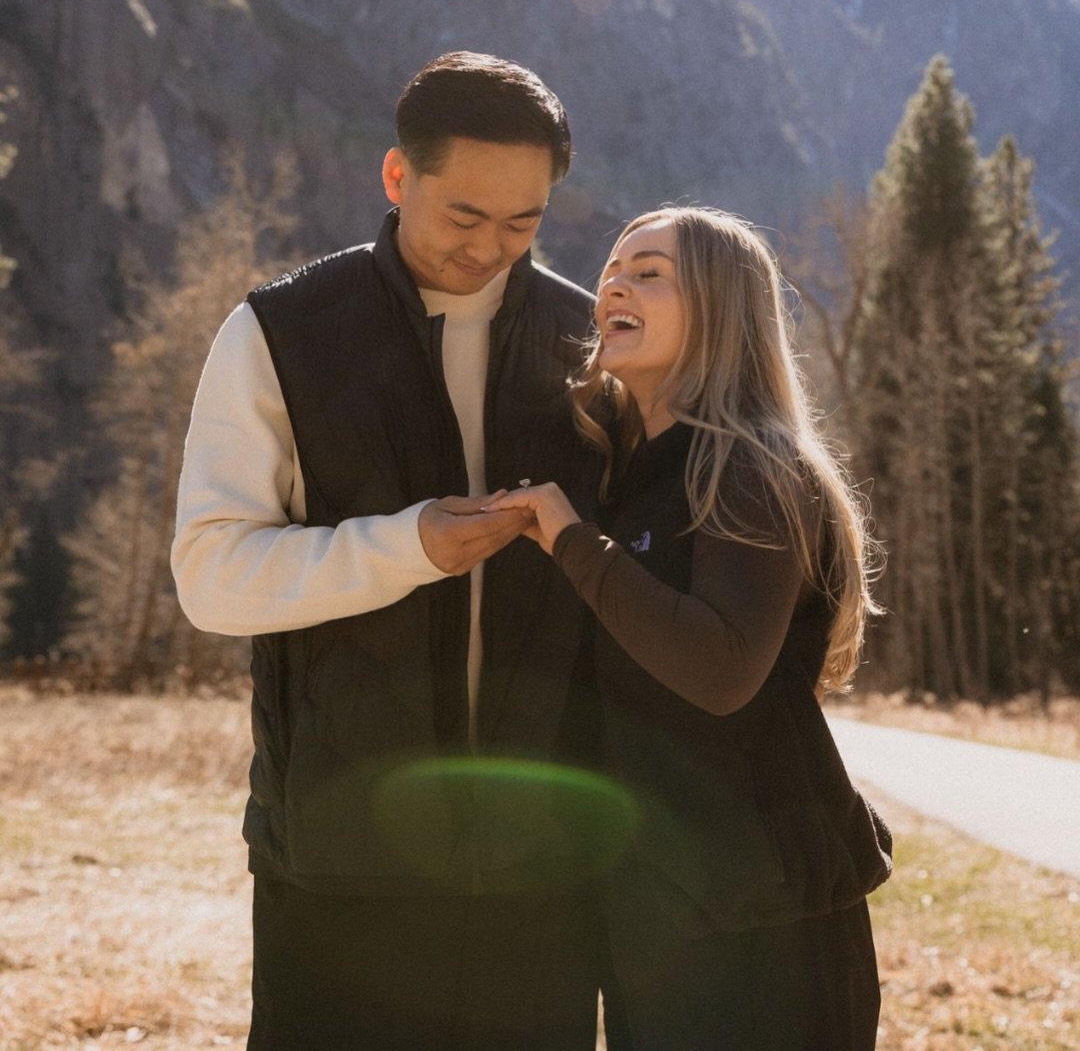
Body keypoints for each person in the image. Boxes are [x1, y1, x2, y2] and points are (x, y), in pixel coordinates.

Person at [172, 52, 611, 1050]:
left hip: (537, 863)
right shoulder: (276, 333)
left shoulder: (590, 340)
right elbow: (211, 576)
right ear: (396, 176)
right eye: (464, 216)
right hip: (338, 858)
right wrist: (404, 545)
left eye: (525, 221)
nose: (492, 248)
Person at [490, 206, 893, 1050]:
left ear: (720, 306)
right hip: (660, 914)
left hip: (766, 921)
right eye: (612, 270)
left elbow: (722, 670)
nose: (612, 286)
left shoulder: (750, 464)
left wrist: (572, 540)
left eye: (650, 272)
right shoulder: (621, 470)